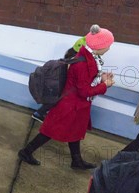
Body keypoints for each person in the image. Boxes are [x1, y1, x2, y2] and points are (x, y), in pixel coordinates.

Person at [18, 25, 115, 169]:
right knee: (50, 131)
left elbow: (83, 83)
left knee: (74, 132)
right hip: (71, 105)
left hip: (74, 105)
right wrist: (104, 85)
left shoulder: (87, 56)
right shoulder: (84, 63)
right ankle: (26, 152)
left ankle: (76, 161)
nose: (109, 48)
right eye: (108, 45)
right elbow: (84, 91)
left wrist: (101, 79)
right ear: (100, 46)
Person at [32, 36, 86, 122]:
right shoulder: (76, 60)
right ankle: (39, 113)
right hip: (60, 82)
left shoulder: (70, 53)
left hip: (55, 81)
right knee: (57, 99)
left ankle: (40, 113)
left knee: (54, 99)